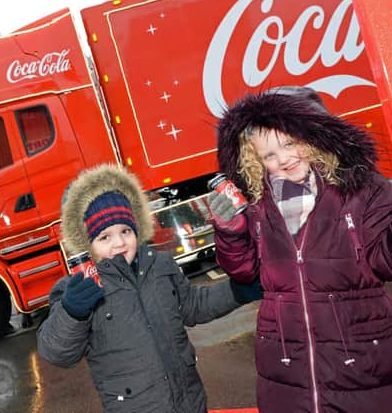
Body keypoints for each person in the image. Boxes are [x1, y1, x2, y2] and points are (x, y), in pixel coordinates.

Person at [210, 86, 392, 412]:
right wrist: (230, 230)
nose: (283, 160)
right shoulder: (258, 202)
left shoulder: (361, 187)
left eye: (289, 143)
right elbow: (244, 272)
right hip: (289, 369)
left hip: (364, 361)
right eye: (268, 155)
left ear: (315, 135)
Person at [37, 164, 241, 412]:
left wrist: (240, 289)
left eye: (125, 231)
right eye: (105, 237)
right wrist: (72, 312)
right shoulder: (80, 288)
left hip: (190, 403)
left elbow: (194, 305)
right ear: (86, 244)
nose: (120, 243)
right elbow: (56, 352)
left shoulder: (160, 263)